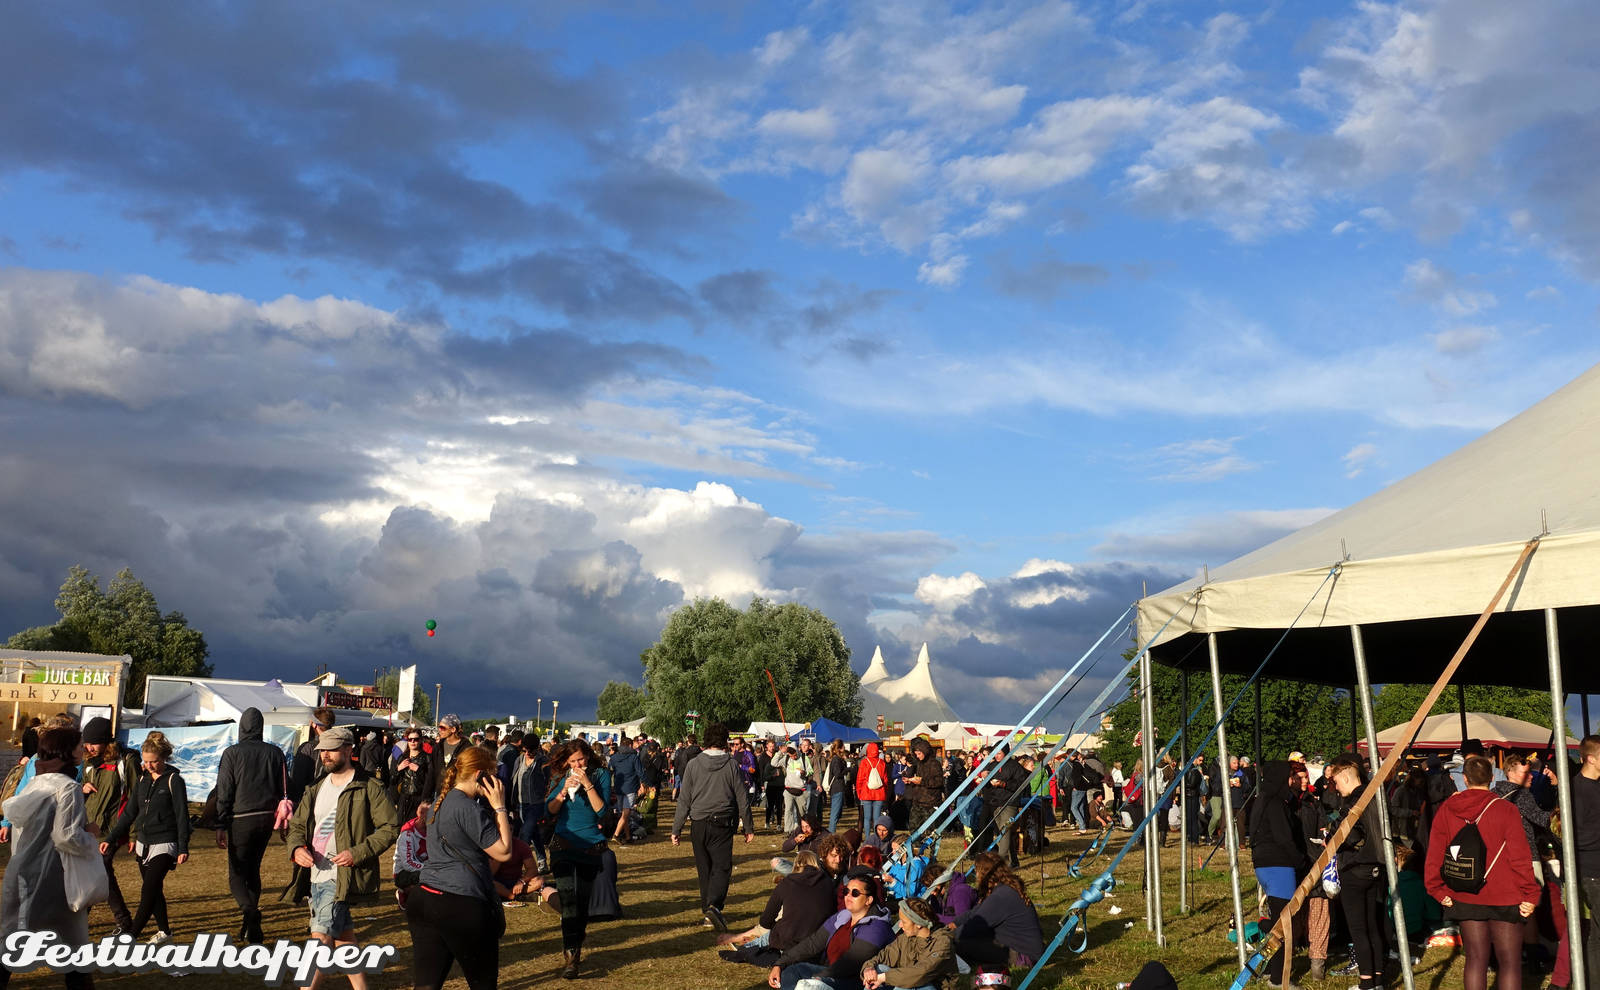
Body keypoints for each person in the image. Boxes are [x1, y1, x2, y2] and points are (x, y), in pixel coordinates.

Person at [282, 726, 399, 990]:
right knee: (343, 937)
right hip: (316, 873)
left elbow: (390, 827)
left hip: (341, 876)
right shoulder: (315, 787)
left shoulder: (369, 786)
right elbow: (298, 825)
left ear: (349, 750)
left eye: (331, 749)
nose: (325, 755)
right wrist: (297, 848)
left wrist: (357, 853)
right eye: (322, 750)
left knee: (320, 938)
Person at [0, 724, 101, 990]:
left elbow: (21, 833)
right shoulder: (68, 788)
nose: (84, 749)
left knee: (13, 940)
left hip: (24, 872)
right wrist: (90, 834)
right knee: (74, 947)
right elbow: (66, 836)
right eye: (80, 745)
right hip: (52, 878)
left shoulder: (35, 782)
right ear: (68, 751)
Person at [1425, 754, 1539, 990]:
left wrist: (1436, 889)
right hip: (1506, 892)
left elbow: (1434, 853)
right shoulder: (1506, 809)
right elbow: (1520, 857)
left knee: (1475, 960)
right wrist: (1530, 893)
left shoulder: (1448, 809)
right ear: (1491, 778)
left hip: (1465, 891)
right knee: (1510, 963)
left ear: (1464, 779)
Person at [406, 746, 514, 990]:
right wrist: (499, 806)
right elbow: (504, 851)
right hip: (459, 902)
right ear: (480, 775)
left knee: (426, 984)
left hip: (425, 897)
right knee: (483, 983)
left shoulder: (439, 802)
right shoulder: (468, 808)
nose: (497, 780)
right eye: (493, 774)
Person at [104, 731, 190, 944]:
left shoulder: (174, 780)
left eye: (154, 761)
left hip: (166, 842)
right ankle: (165, 932)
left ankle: (130, 936)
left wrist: (183, 847)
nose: (149, 765)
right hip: (144, 843)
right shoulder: (142, 779)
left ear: (164, 758)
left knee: (148, 889)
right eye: (146, 761)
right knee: (154, 890)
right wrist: (111, 837)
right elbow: (130, 813)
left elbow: (182, 816)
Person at [672, 722, 756, 932]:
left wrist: (676, 828)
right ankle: (714, 906)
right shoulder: (731, 765)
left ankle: (708, 910)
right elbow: (742, 798)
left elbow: (684, 799)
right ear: (724, 741)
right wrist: (748, 826)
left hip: (698, 822)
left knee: (705, 869)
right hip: (722, 822)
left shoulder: (693, 764)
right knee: (722, 867)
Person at [215, 706, 288, 945]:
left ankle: (249, 912)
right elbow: (284, 787)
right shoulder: (275, 753)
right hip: (266, 817)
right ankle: (250, 923)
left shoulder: (232, 753)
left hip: (240, 818)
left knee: (236, 874)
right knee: (253, 869)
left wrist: (220, 822)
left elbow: (224, 790)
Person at [546, 738, 614, 979]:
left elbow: (602, 811)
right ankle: (571, 957)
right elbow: (549, 810)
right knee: (567, 899)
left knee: (582, 902)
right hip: (562, 843)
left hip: (590, 844)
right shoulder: (561, 776)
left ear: (588, 757)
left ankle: (577, 937)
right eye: (573, 761)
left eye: (581, 759)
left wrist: (587, 784)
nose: (577, 764)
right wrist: (564, 790)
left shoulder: (601, 775)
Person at [769, 872, 895, 990]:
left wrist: (820, 977)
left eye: (855, 893)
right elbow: (813, 943)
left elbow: (852, 962)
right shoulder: (843, 916)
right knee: (792, 971)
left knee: (811, 984)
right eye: (846, 891)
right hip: (829, 971)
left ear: (869, 900)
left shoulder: (877, 927)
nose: (848, 896)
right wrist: (780, 963)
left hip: (857, 979)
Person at [1326, 753, 1388, 990]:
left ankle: (1366, 982)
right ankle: (1378, 978)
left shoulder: (1355, 801)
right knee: (1372, 924)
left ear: (1345, 776)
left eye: (1336, 781)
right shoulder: (1374, 795)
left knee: (1358, 927)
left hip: (1355, 866)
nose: (1336, 786)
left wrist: (1333, 838)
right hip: (1375, 867)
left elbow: (1350, 834)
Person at [720, 850, 839, 967]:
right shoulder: (829, 884)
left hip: (789, 940)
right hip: (817, 943)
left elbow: (766, 921)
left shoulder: (788, 883)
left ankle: (749, 948)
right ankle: (753, 945)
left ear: (796, 865)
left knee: (777, 932)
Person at [1248, 760, 1306, 990]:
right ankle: (1278, 979)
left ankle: (1271, 968)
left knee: (1277, 923)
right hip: (1278, 865)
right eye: (1290, 776)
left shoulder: (1264, 799)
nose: (1293, 781)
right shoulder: (1275, 804)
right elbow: (1284, 838)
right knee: (1285, 925)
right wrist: (1300, 861)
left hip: (1265, 865)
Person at [78, 717, 137, 937]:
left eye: (93, 743)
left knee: (101, 870)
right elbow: (81, 786)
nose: (88, 747)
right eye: (86, 742)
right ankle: (82, 920)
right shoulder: (89, 762)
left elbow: (134, 798)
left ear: (106, 741)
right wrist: (82, 787)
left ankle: (124, 922)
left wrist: (133, 834)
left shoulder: (126, 761)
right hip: (91, 826)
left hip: (113, 828)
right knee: (93, 874)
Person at [950, 851, 1044, 969]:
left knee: (961, 944)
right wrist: (954, 923)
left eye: (977, 872)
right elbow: (975, 912)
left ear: (983, 874)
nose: (976, 876)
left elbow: (973, 927)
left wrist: (949, 936)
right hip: (1025, 949)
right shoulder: (1003, 889)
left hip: (1024, 955)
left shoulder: (1001, 896)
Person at [861, 896, 956, 990]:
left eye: (904, 922)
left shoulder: (942, 943)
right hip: (909, 981)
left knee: (906, 985)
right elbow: (883, 957)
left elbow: (921, 972)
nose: (900, 925)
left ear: (918, 924)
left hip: (931, 986)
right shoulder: (905, 938)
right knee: (877, 970)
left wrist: (884, 978)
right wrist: (868, 969)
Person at [1566, 735, 1600, 980]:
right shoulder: (1576, 790)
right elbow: (1571, 836)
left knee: (1596, 935)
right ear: (1591, 758)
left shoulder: (1596, 786)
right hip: (1591, 872)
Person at [512, 732, 548, 870]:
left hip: (536, 804)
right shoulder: (519, 760)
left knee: (525, 834)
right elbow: (513, 781)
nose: (527, 753)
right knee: (534, 833)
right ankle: (542, 860)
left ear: (537, 748)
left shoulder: (543, 762)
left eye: (530, 750)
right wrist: (512, 803)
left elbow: (549, 782)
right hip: (520, 804)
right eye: (524, 750)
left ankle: (516, 867)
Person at [290, 707, 336, 804]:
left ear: (314, 724)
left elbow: (298, 779)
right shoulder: (338, 747)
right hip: (332, 799)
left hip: (310, 800)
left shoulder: (307, 748)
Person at [394, 728, 436, 826]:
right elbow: (393, 780)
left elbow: (431, 781)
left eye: (416, 739)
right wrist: (398, 769)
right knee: (401, 828)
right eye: (410, 739)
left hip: (418, 799)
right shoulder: (402, 757)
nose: (413, 741)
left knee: (416, 829)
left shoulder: (427, 758)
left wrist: (419, 770)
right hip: (403, 798)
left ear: (421, 740)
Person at [903, 738, 944, 836]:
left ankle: (932, 850)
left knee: (931, 832)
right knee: (914, 829)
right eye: (916, 754)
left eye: (919, 754)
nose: (917, 756)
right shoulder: (919, 764)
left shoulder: (935, 764)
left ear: (925, 752)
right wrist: (910, 781)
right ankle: (915, 848)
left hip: (930, 802)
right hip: (918, 801)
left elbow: (939, 782)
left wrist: (922, 781)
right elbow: (919, 780)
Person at [393, 799, 428, 908]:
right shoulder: (407, 834)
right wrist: (429, 869)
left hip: (424, 867)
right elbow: (407, 863)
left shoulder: (433, 830)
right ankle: (404, 893)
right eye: (432, 813)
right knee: (429, 877)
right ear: (420, 814)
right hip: (403, 872)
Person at [608, 734, 643, 845]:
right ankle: (616, 834)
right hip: (630, 787)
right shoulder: (634, 757)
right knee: (626, 813)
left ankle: (628, 837)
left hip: (618, 787)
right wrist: (648, 784)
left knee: (623, 814)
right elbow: (640, 772)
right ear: (629, 745)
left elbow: (609, 770)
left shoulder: (614, 757)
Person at [429, 715, 470, 798]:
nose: (439, 730)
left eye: (442, 728)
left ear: (453, 729)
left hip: (457, 794)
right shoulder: (438, 747)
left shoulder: (467, 748)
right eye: (439, 727)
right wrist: (425, 798)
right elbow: (431, 772)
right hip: (438, 793)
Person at [856, 743, 889, 834]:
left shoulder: (864, 762)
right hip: (879, 793)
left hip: (866, 792)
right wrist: (884, 792)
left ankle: (867, 838)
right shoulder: (882, 763)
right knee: (877, 818)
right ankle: (876, 838)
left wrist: (859, 792)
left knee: (867, 818)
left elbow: (860, 779)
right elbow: (885, 780)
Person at [824, 741, 852, 833]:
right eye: (843, 746)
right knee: (835, 813)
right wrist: (847, 769)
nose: (844, 748)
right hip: (837, 788)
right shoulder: (836, 759)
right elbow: (837, 774)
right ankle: (831, 833)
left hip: (837, 788)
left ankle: (831, 832)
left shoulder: (836, 759)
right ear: (839, 748)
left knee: (837, 813)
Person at [672, 734, 701, 799]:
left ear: (688, 741)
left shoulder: (686, 752)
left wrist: (683, 778)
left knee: (687, 794)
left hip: (687, 774)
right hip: (698, 774)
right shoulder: (700, 751)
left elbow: (683, 765)